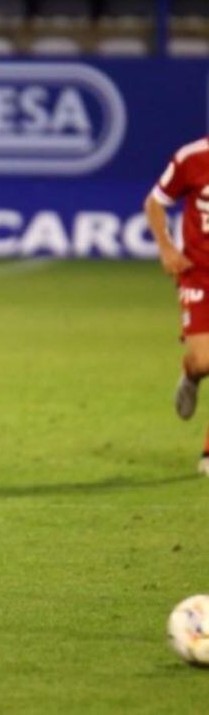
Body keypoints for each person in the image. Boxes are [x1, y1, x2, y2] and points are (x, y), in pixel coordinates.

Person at [146, 135, 209, 476]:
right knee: (203, 360)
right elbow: (154, 203)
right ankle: (191, 375)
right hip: (199, 275)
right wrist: (167, 248)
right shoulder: (192, 157)